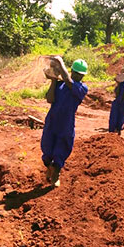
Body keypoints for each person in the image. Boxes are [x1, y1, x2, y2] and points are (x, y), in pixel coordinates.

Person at [40, 56, 89, 188]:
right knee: (47, 147)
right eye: (76, 74)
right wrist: (54, 80)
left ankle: (56, 174)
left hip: (66, 123)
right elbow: (50, 99)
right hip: (52, 120)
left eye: (81, 75)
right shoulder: (61, 85)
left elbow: (68, 80)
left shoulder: (82, 88)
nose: (78, 77)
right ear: (72, 71)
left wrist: (60, 63)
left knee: (61, 149)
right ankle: (49, 167)